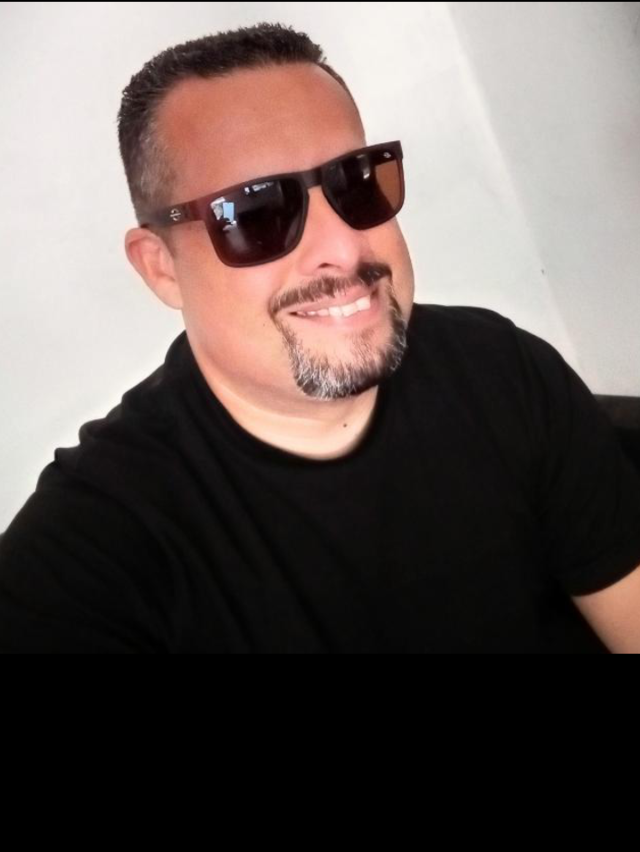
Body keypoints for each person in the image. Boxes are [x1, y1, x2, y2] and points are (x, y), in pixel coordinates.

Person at [1, 22, 640, 654]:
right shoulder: (86, 560)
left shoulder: (503, 372)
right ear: (161, 267)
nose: (342, 247)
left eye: (356, 181)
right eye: (254, 212)